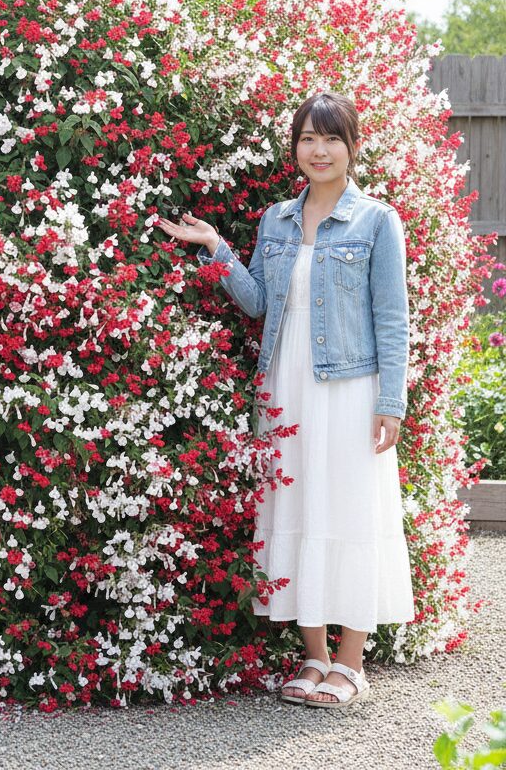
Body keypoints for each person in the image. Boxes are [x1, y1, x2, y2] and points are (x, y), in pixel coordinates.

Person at [160, 91, 415, 708]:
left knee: (350, 511)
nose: (318, 150)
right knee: (297, 507)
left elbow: (392, 318)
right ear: (295, 147)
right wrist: (216, 248)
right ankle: (314, 656)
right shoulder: (275, 220)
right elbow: (257, 303)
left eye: (331, 138)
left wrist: (391, 401)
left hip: (349, 386)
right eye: (307, 138)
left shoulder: (377, 220)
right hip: (285, 383)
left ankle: (351, 663)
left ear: (352, 147)